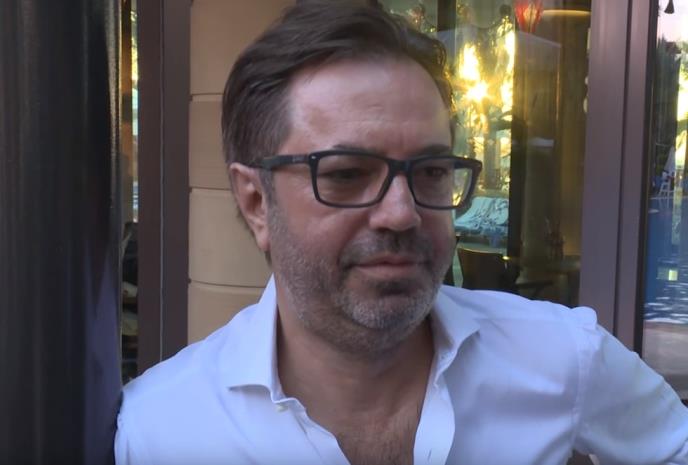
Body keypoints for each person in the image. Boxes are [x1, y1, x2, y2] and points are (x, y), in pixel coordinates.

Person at [115, 1, 688, 464]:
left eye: (431, 171)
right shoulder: (163, 428)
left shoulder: (563, 357)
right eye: (345, 174)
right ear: (255, 201)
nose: (402, 213)